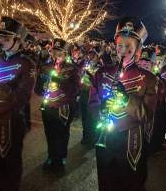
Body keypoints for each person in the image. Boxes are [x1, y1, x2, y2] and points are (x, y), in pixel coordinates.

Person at [89, 17, 157, 191]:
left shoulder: (149, 79)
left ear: (138, 49)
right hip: (106, 136)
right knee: (106, 182)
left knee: (131, 183)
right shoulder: (102, 73)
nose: (123, 51)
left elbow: (147, 116)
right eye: (120, 45)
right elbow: (92, 103)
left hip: (131, 140)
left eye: (129, 47)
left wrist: (127, 99)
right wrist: (100, 110)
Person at [0, 16, 36, 191]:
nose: (2, 41)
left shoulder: (27, 63)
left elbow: (22, 96)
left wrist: (1, 93)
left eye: (7, 38)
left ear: (18, 40)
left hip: (12, 119)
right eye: (1, 37)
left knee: (11, 162)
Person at [39, 38, 80, 170]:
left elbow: (76, 89)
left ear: (66, 53)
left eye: (60, 52)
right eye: (54, 52)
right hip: (48, 106)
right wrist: (42, 84)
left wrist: (60, 83)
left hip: (64, 107)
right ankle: (51, 157)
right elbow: (37, 89)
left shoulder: (72, 68)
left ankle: (60, 159)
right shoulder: (46, 67)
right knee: (49, 133)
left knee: (62, 134)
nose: (56, 55)